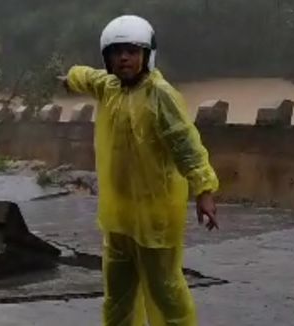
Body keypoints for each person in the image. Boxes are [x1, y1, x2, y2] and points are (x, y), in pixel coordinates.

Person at [59, 15, 219, 326]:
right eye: (116, 52)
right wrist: (68, 79)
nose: (124, 58)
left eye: (132, 51)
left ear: (147, 54)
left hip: (156, 219)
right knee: (117, 297)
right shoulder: (108, 88)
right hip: (119, 218)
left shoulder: (161, 95)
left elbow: (186, 144)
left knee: (166, 292)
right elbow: (86, 76)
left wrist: (204, 189)